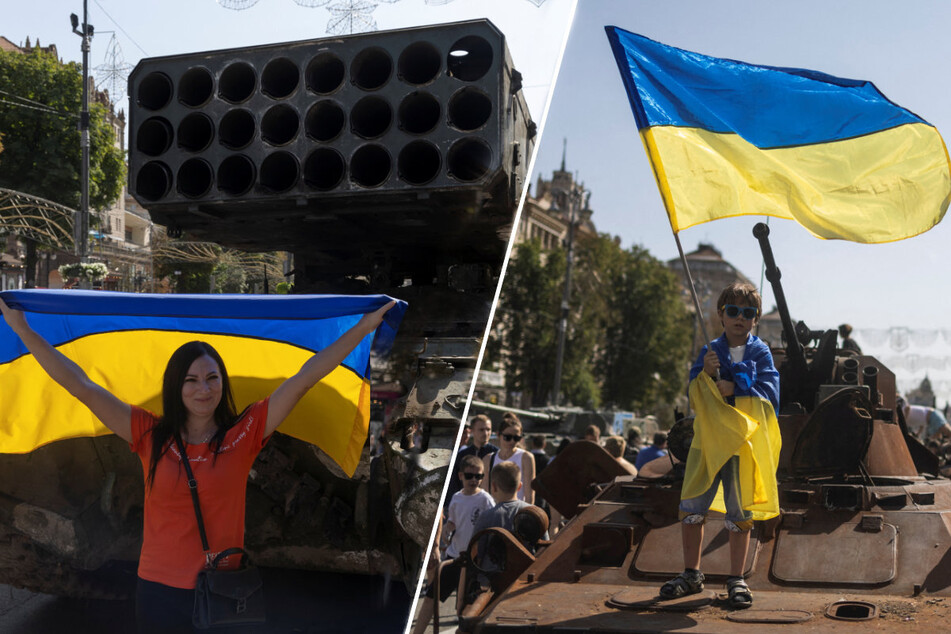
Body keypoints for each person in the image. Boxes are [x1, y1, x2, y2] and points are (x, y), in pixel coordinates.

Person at [0, 296, 395, 633]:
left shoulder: (245, 433)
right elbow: (81, 385)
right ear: (176, 387)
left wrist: (364, 327)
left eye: (211, 377)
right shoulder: (149, 434)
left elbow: (305, 377)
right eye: (191, 380)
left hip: (226, 590)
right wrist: (23, 330)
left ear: (223, 382)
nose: (203, 389)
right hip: (159, 591)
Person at [659, 282, 780, 610]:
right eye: (733, 311)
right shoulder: (710, 350)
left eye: (748, 313)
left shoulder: (761, 351)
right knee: (692, 507)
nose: (740, 318)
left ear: (755, 319)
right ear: (721, 315)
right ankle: (691, 574)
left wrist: (737, 389)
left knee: (739, 513)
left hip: (742, 446)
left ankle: (736, 578)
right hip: (709, 443)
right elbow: (695, 392)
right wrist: (706, 375)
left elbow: (770, 393)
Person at [412, 455, 494, 634]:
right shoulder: (456, 498)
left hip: (474, 562)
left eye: (478, 476)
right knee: (431, 596)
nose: (474, 480)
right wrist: (448, 530)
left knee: (465, 606)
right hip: (455, 557)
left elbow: (491, 527)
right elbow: (453, 522)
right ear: (460, 476)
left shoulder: (485, 500)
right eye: (470, 476)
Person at [445, 414, 498, 508]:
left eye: (488, 429)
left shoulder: (496, 453)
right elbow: (454, 482)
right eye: (481, 430)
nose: (486, 433)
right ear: (472, 431)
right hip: (464, 503)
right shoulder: (462, 454)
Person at [483, 416, 535, 504]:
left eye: (516, 438)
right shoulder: (488, 459)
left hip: (517, 511)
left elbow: (529, 495)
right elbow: (485, 493)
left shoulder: (526, 458)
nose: (512, 441)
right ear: (498, 435)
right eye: (507, 437)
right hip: (495, 512)